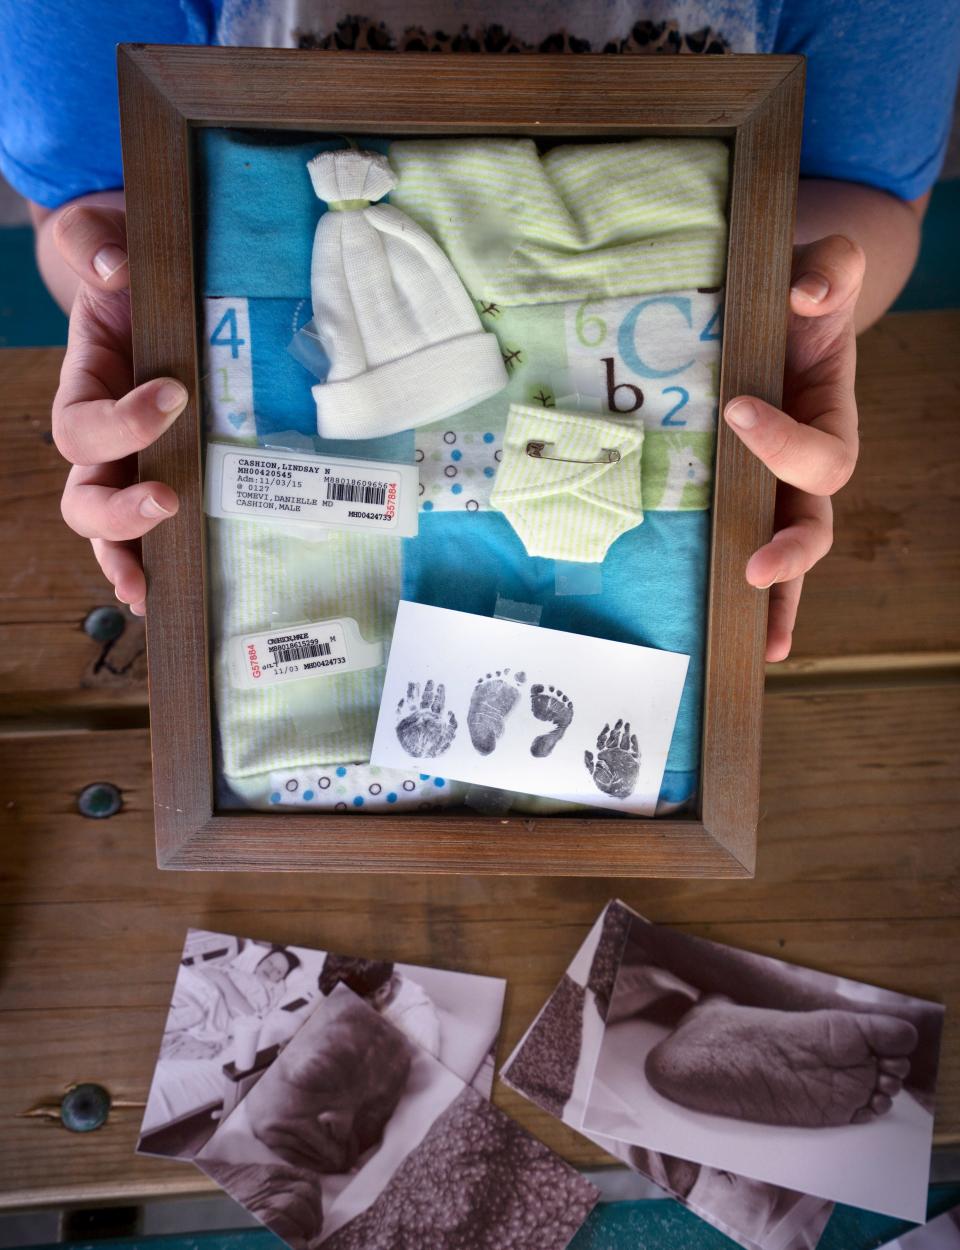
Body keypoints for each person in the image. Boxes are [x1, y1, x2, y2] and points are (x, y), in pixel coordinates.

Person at [1, 4, 958, 661]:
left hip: (665, 412)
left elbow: (864, 200)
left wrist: (778, 309)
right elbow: (89, 208)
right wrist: (129, 296)